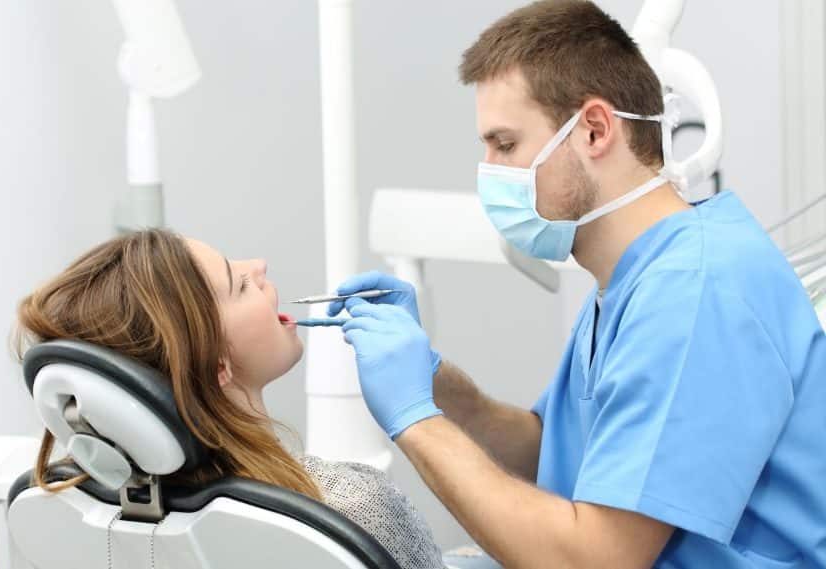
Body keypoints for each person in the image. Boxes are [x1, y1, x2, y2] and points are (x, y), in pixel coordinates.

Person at [329, 1, 826, 567]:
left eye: (506, 145)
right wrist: (436, 382)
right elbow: (558, 452)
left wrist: (415, 419)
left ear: (594, 129)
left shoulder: (694, 292)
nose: (488, 171)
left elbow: (594, 559)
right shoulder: (633, 278)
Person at [9, 228, 449, 569]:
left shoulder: (71, 509)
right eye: (239, 285)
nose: (259, 265)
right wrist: (418, 415)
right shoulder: (354, 508)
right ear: (218, 364)